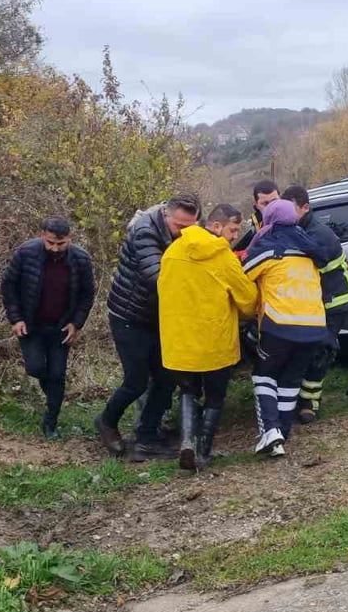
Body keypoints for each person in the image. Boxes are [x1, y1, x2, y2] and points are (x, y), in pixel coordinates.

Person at [97, 194, 200, 461]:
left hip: (157, 317)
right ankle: (106, 421)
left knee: (167, 376)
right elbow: (158, 277)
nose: (184, 233)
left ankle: (147, 436)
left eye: (190, 227)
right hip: (129, 316)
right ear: (166, 214)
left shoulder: (184, 231)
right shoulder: (145, 232)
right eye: (179, 226)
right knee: (136, 381)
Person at [158, 204, 256, 470]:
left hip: (179, 342)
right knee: (215, 396)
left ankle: (187, 442)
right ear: (216, 226)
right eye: (233, 230)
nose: (235, 236)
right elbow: (248, 301)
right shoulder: (223, 257)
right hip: (215, 342)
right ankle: (203, 452)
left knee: (187, 391)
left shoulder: (173, 251)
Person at [243, 199, 330, 457]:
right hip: (315, 327)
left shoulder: (269, 249)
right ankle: (282, 433)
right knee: (290, 379)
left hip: (279, 325)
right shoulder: (310, 250)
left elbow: (242, 275)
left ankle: (270, 431)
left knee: (264, 375)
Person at [1, 217, 96, 439]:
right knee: (35, 368)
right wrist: (16, 319)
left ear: (70, 238)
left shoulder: (81, 259)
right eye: (50, 242)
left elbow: (87, 294)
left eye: (61, 244)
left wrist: (76, 323)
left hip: (61, 326)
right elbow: (8, 285)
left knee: (57, 374)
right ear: (42, 235)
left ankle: (51, 422)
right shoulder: (26, 252)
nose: (55, 248)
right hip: (31, 323)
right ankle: (53, 393)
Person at [283, 185, 348, 424]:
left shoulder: (317, 235)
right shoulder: (299, 229)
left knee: (321, 348)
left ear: (305, 208)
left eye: (290, 209)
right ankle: (298, 397)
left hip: (334, 300)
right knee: (306, 348)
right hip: (316, 301)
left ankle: (309, 402)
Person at [233, 179, 281, 253]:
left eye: (274, 201)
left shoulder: (295, 221)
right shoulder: (249, 229)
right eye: (265, 204)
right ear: (256, 205)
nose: (271, 207)